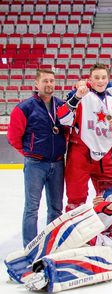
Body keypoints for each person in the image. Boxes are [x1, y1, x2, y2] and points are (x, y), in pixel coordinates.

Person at [7, 68, 67, 247]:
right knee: (32, 208)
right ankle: (30, 247)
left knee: (56, 208)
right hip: (35, 164)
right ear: (36, 84)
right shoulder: (24, 107)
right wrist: (30, 153)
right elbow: (13, 137)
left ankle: (51, 244)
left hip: (57, 163)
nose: (49, 84)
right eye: (45, 81)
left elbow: (67, 132)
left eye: (52, 81)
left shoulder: (61, 105)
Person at [57, 63, 112, 211]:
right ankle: (76, 232)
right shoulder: (80, 95)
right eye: (96, 78)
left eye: (103, 77)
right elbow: (63, 119)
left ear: (108, 79)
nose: (100, 81)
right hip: (79, 153)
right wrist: (76, 97)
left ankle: (109, 231)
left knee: (111, 196)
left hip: (105, 157)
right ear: (90, 79)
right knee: (76, 198)